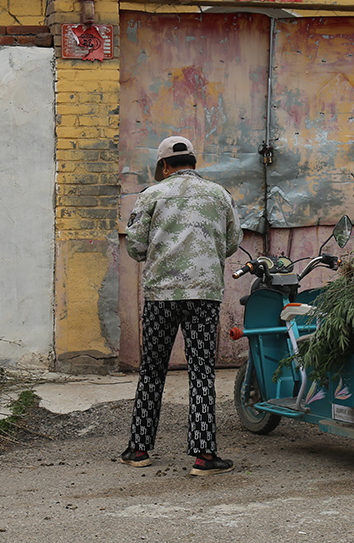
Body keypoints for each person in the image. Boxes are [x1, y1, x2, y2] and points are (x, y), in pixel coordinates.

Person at [120, 135, 242, 476]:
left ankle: (138, 449)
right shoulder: (219, 195)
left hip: (161, 295)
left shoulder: (151, 195)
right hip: (204, 296)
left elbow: (135, 246)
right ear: (194, 162)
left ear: (163, 166)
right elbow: (232, 241)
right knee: (202, 371)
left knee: (152, 370)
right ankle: (205, 456)